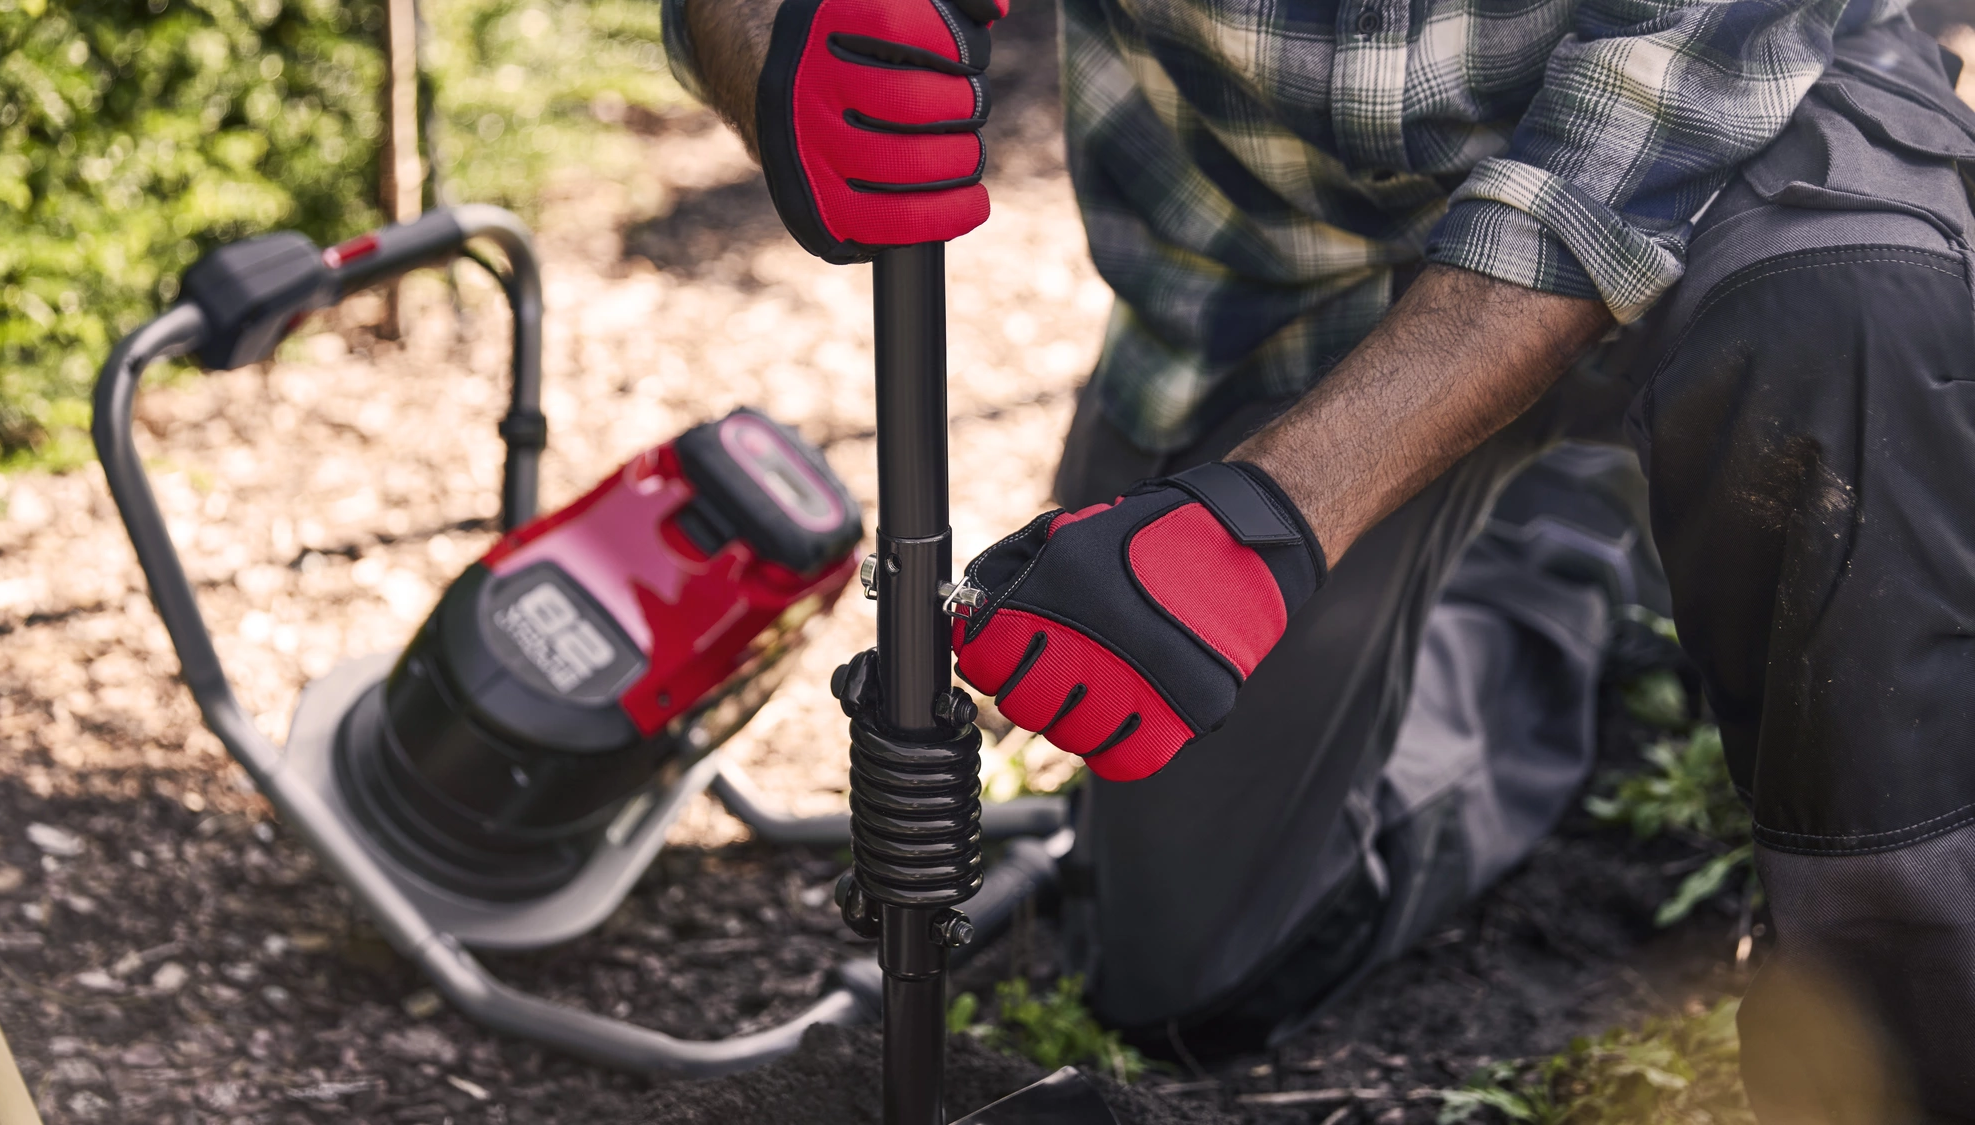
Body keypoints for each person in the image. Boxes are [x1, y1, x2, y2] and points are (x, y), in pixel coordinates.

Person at [661, 0, 1975, 1113]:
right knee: (1195, 975)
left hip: (1729, 169)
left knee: (1845, 312)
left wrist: (1271, 521)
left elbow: (1655, 120)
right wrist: (771, 39)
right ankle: (1564, 563)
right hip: (1270, 279)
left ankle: (1904, 1034)